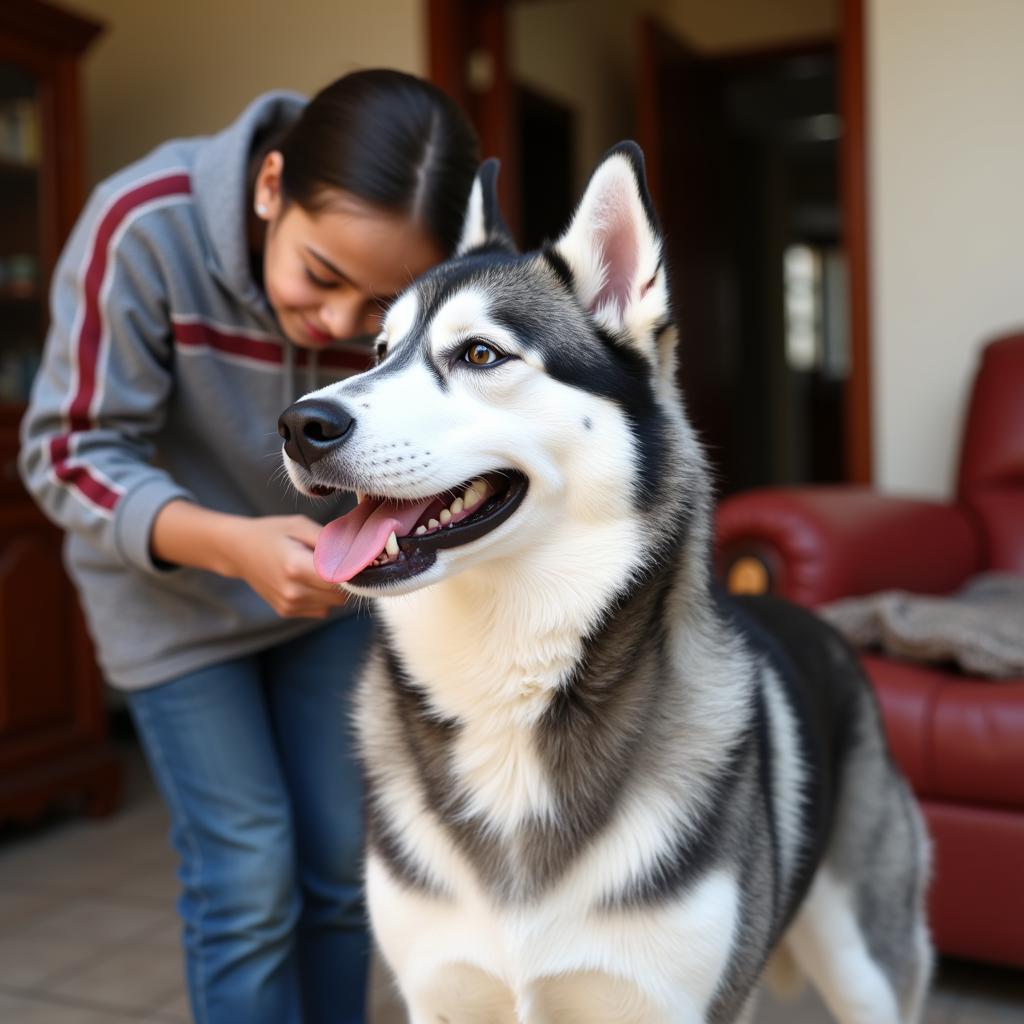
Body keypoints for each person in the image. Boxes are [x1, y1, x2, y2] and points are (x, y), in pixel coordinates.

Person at [19, 69, 479, 1024]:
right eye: (322, 276)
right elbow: (64, 452)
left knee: (343, 866)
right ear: (271, 188)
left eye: (381, 307)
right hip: (172, 603)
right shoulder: (141, 227)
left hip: (330, 588)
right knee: (248, 874)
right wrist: (228, 546)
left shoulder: (437, 279)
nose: (343, 325)